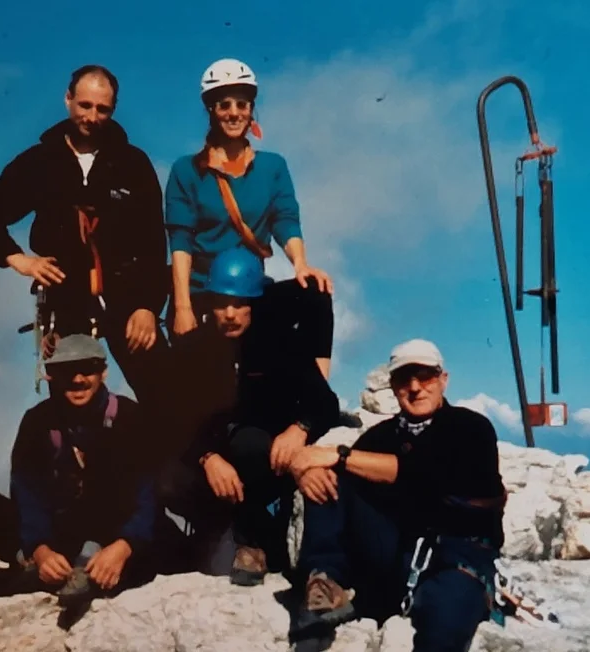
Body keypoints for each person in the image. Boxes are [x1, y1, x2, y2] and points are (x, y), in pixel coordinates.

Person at [0, 64, 170, 407]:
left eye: (102, 109)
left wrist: (149, 307)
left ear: (113, 110)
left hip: (129, 297)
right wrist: (19, 260)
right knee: (71, 402)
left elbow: (153, 242)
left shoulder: (132, 163)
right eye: (85, 106)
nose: (92, 117)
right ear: (68, 99)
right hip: (65, 299)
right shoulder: (39, 161)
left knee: (164, 393)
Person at [285, 339, 507, 652]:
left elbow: (422, 473)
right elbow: (340, 468)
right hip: (397, 547)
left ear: (443, 380)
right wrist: (308, 471)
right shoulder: (382, 436)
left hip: (457, 552)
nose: (415, 387)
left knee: (442, 626)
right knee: (332, 476)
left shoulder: (471, 428)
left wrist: (338, 454)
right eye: (405, 378)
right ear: (393, 385)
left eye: (425, 376)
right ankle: (324, 580)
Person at [156, 247, 343, 587]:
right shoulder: (192, 350)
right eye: (221, 303)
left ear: (254, 304)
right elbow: (172, 418)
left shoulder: (280, 340)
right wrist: (207, 457)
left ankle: (255, 543)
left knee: (248, 443)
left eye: (240, 304)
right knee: (167, 480)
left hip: (268, 454)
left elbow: (325, 402)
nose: (230, 313)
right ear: (209, 303)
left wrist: (299, 430)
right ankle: (215, 530)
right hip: (217, 459)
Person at [0, 334, 160, 608]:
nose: (77, 379)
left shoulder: (129, 417)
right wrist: (40, 550)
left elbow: (148, 492)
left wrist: (124, 547)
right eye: (66, 371)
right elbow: (26, 492)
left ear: (103, 372)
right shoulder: (38, 422)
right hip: (59, 532)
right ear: (52, 376)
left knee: (167, 545)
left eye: (87, 369)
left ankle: (85, 570)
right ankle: (36, 564)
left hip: (114, 534)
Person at [163, 57, 336, 380]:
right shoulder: (186, 170)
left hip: (251, 292)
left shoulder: (273, 166)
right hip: (204, 294)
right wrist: (183, 306)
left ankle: (320, 397)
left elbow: (285, 219)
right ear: (211, 110)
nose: (233, 113)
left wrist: (300, 264)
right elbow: (181, 239)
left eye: (242, 104)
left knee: (315, 293)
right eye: (223, 104)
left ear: (251, 108)